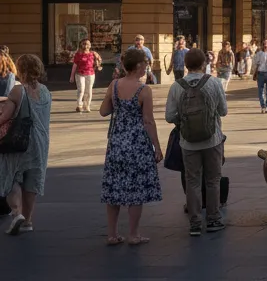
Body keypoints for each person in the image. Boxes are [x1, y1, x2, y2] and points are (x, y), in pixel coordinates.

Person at [99, 48, 163, 246]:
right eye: (144, 64)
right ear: (137, 66)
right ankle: (133, 234)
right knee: (136, 190)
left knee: (114, 187)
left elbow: (103, 111)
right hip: (137, 143)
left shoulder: (114, 84)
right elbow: (148, 121)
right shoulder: (144, 90)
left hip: (117, 142)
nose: (146, 67)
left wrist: (116, 101)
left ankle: (112, 234)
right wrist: (157, 147)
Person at [165, 48, 227, 237]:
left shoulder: (177, 86)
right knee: (213, 180)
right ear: (204, 64)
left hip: (188, 142)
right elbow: (223, 111)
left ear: (185, 65)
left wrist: (183, 120)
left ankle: (195, 223)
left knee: (192, 181)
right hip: (213, 139)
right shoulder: (214, 83)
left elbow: (169, 116)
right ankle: (214, 219)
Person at [0, 55, 53, 236]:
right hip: (41, 141)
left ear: (20, 70)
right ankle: (28, 221)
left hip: (19, 140)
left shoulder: (17, 91)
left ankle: (16, 212)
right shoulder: (46, 91)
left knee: (11, 175)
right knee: (31, 181)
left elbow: (5, 116)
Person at [70, 39, 101, 113]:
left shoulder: (93, 54)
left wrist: (98, 62)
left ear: (90, 45)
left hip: (90, 74)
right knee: (81, 90)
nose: (86, 46)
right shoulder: (78, 54)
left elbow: (99, 61)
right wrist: (72, 76)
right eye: (84, 44)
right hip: (80, 74)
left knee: (89, 90)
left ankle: (87, 105)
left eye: (87, 44)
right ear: (81, 45)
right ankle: (79, 105)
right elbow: (74, 65)